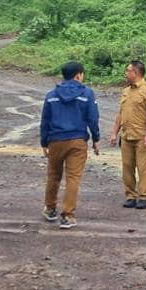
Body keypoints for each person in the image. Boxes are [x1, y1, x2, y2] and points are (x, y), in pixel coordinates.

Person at [40, 61, 101, 230]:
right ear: (78, 75)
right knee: (73, 177)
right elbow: (93, 118)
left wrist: (44, 142)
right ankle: (67, 216)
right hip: (77, 141)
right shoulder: (87, 94)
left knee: (53, 175)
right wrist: (96, 139)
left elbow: (45, 120)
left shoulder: (51, 95)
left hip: (55, 141)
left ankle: (50, 208)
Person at [109, 60, 146, 209]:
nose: (125, 73)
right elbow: (121, 113)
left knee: (143, 168)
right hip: (126, 135)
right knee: (127, 167)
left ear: (135, 73)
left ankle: (143, 196)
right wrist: (114, 132)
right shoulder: (126, 91)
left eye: (127, 71)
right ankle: (130, 195)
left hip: (141, 135)